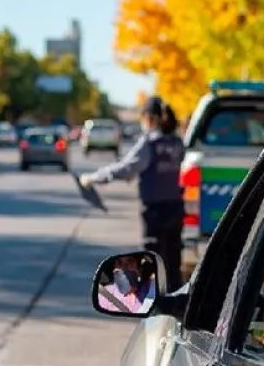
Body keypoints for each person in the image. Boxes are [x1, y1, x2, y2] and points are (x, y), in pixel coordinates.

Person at [79, 96, 186, 290]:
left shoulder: (150, 143)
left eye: (143, 117)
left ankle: (155, 303)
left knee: (154, 258)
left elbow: (127, 167)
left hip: (155, 212)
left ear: (150, 118)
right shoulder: (177, 142)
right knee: (173, 260)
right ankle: (177, 302)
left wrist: (94, 177)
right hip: (175, 208)